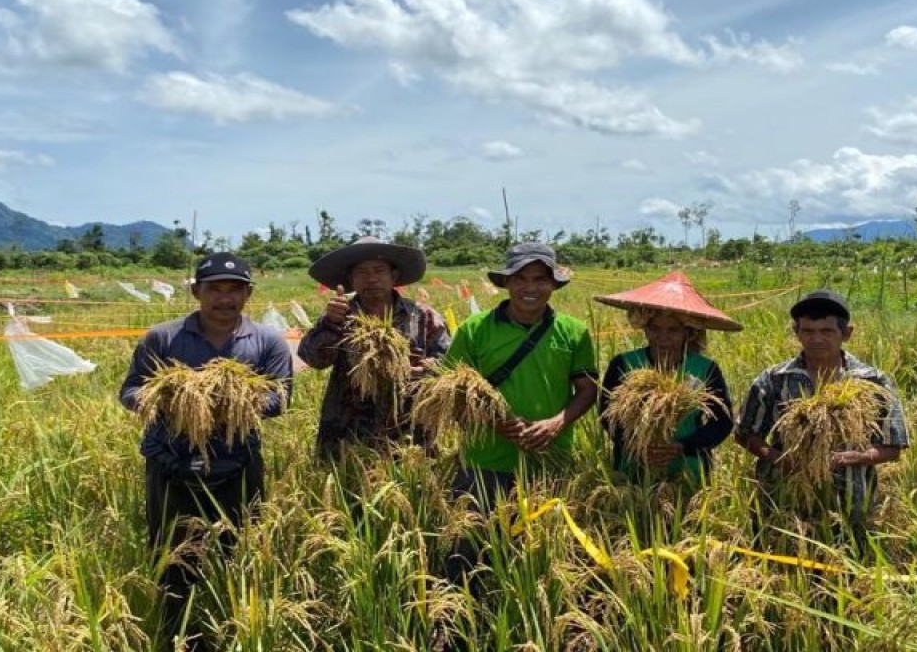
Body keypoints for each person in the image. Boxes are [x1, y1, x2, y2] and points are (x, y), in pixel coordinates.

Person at [119, 252, 292, 650]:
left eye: (235, 290)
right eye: (215, 289)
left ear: (248, 294)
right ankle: (178, 635)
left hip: (237, 464)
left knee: (239, 552)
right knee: (173, 556)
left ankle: (233, 631)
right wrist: (171, 398)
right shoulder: (162, 337)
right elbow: (130, 391)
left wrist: (230, 401)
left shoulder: (267, 341)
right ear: (197, 291)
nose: (225, 299)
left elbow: (280, 399)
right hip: (171, 464)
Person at [441, 242, 599, 586]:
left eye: (540, 279)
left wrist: (556, 423)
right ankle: (463, 613)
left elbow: (587, 389)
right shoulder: (474, 329)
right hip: (485, 462)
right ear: (506, 282)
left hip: (550, 460)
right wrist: (497, 423)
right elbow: (453, 392)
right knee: (467, 551)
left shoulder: (573, 331)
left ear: (553, 284)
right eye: (521, 278)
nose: (531, 288)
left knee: (543, 555)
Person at [734, 289, 908, 553]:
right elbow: (745, 434)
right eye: (808, 331)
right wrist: (778, 458)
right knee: (783, 558)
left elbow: (892, 447)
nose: (816, 339)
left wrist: (850, 458)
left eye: (826, 331)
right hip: (784, 498)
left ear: (846, 333)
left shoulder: (873, 382)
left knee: (849, 561)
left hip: (851, 502)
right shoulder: (774, 379)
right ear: (796, 332)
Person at [298, 236, 450, 459]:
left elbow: (448, 361)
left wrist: (426, 368)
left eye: (379, 271)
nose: (371, 279)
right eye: (362, 272)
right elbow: (313, 359)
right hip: (347, 430)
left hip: (409, 429)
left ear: (393, 276)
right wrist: (330, 324)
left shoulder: (423, 316)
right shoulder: (340, 315)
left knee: (413, 477)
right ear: (350, 280)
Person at [594, 271, 739, 485]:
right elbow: (608, 415)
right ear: (645, 329)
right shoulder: (625, 364)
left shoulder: (704, 369)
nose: (663, 338)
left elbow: (722, 421)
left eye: (673, 330)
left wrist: (684, 446)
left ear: (688, 333)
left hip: (689, 467)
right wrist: (637, 444)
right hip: (633, 463)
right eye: (654, 328)